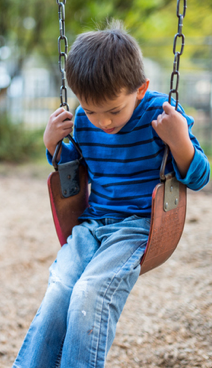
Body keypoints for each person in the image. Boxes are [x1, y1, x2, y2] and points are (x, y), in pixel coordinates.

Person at [12, 21, 210, 368]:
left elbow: (199, 177)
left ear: (140, 88)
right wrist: (52, 146)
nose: (102, 122)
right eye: (91, 110)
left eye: (114, 110)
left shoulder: (162, 115)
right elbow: (73, 171)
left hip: (136, 228)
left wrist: (179, 142)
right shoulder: (85, 122)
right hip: (91, 226)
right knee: (60, 290)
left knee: (90, 293)